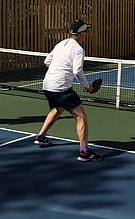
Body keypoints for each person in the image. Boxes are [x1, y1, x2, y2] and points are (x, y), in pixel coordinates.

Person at [34, 19, 102, 162]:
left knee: (57, 109)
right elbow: (77, 70)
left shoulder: (61, 44)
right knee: (81, 116)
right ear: (82, 34)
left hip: (47, 85)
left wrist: (57, 70)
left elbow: (47, 61)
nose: (87, 35)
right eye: (86, 32)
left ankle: (41, 137)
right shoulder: (78, 49)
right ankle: (84, 152)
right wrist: (87, 87)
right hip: (60, 88)